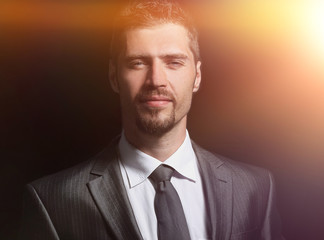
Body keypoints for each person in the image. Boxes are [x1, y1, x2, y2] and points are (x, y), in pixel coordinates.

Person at [20, 1, 283, 239]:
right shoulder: (52, 201)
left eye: (174, 62)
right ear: (114, 76)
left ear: (197, 76)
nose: (156, 80)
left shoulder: (255, 188)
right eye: (137, 63)